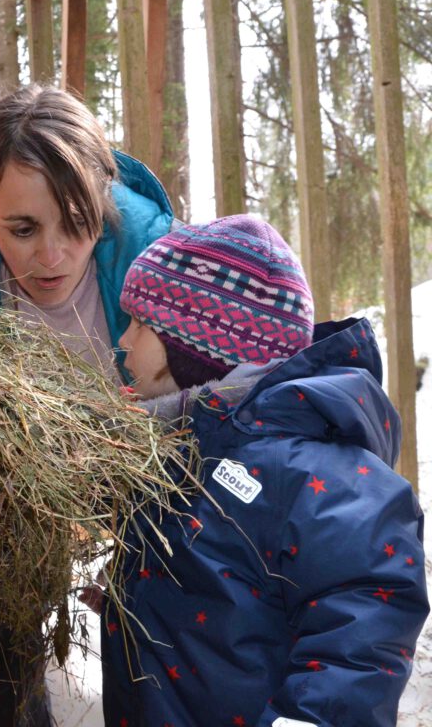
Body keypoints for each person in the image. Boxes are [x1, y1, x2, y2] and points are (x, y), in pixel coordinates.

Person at [104, 214, 428, 726]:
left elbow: (363, 632)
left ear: (196, 348)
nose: (123, 341)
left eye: (141, 323)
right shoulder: (184, 446)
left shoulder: (314, 476)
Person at [0, 84, 175, 726]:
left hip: (145, 466)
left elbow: (199, 413)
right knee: (5, 605)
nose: (52, 255)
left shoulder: (155, 263)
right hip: (25, 486)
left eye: (77, 224)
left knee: (158, 617)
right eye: (23, 228)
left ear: (103, 201)